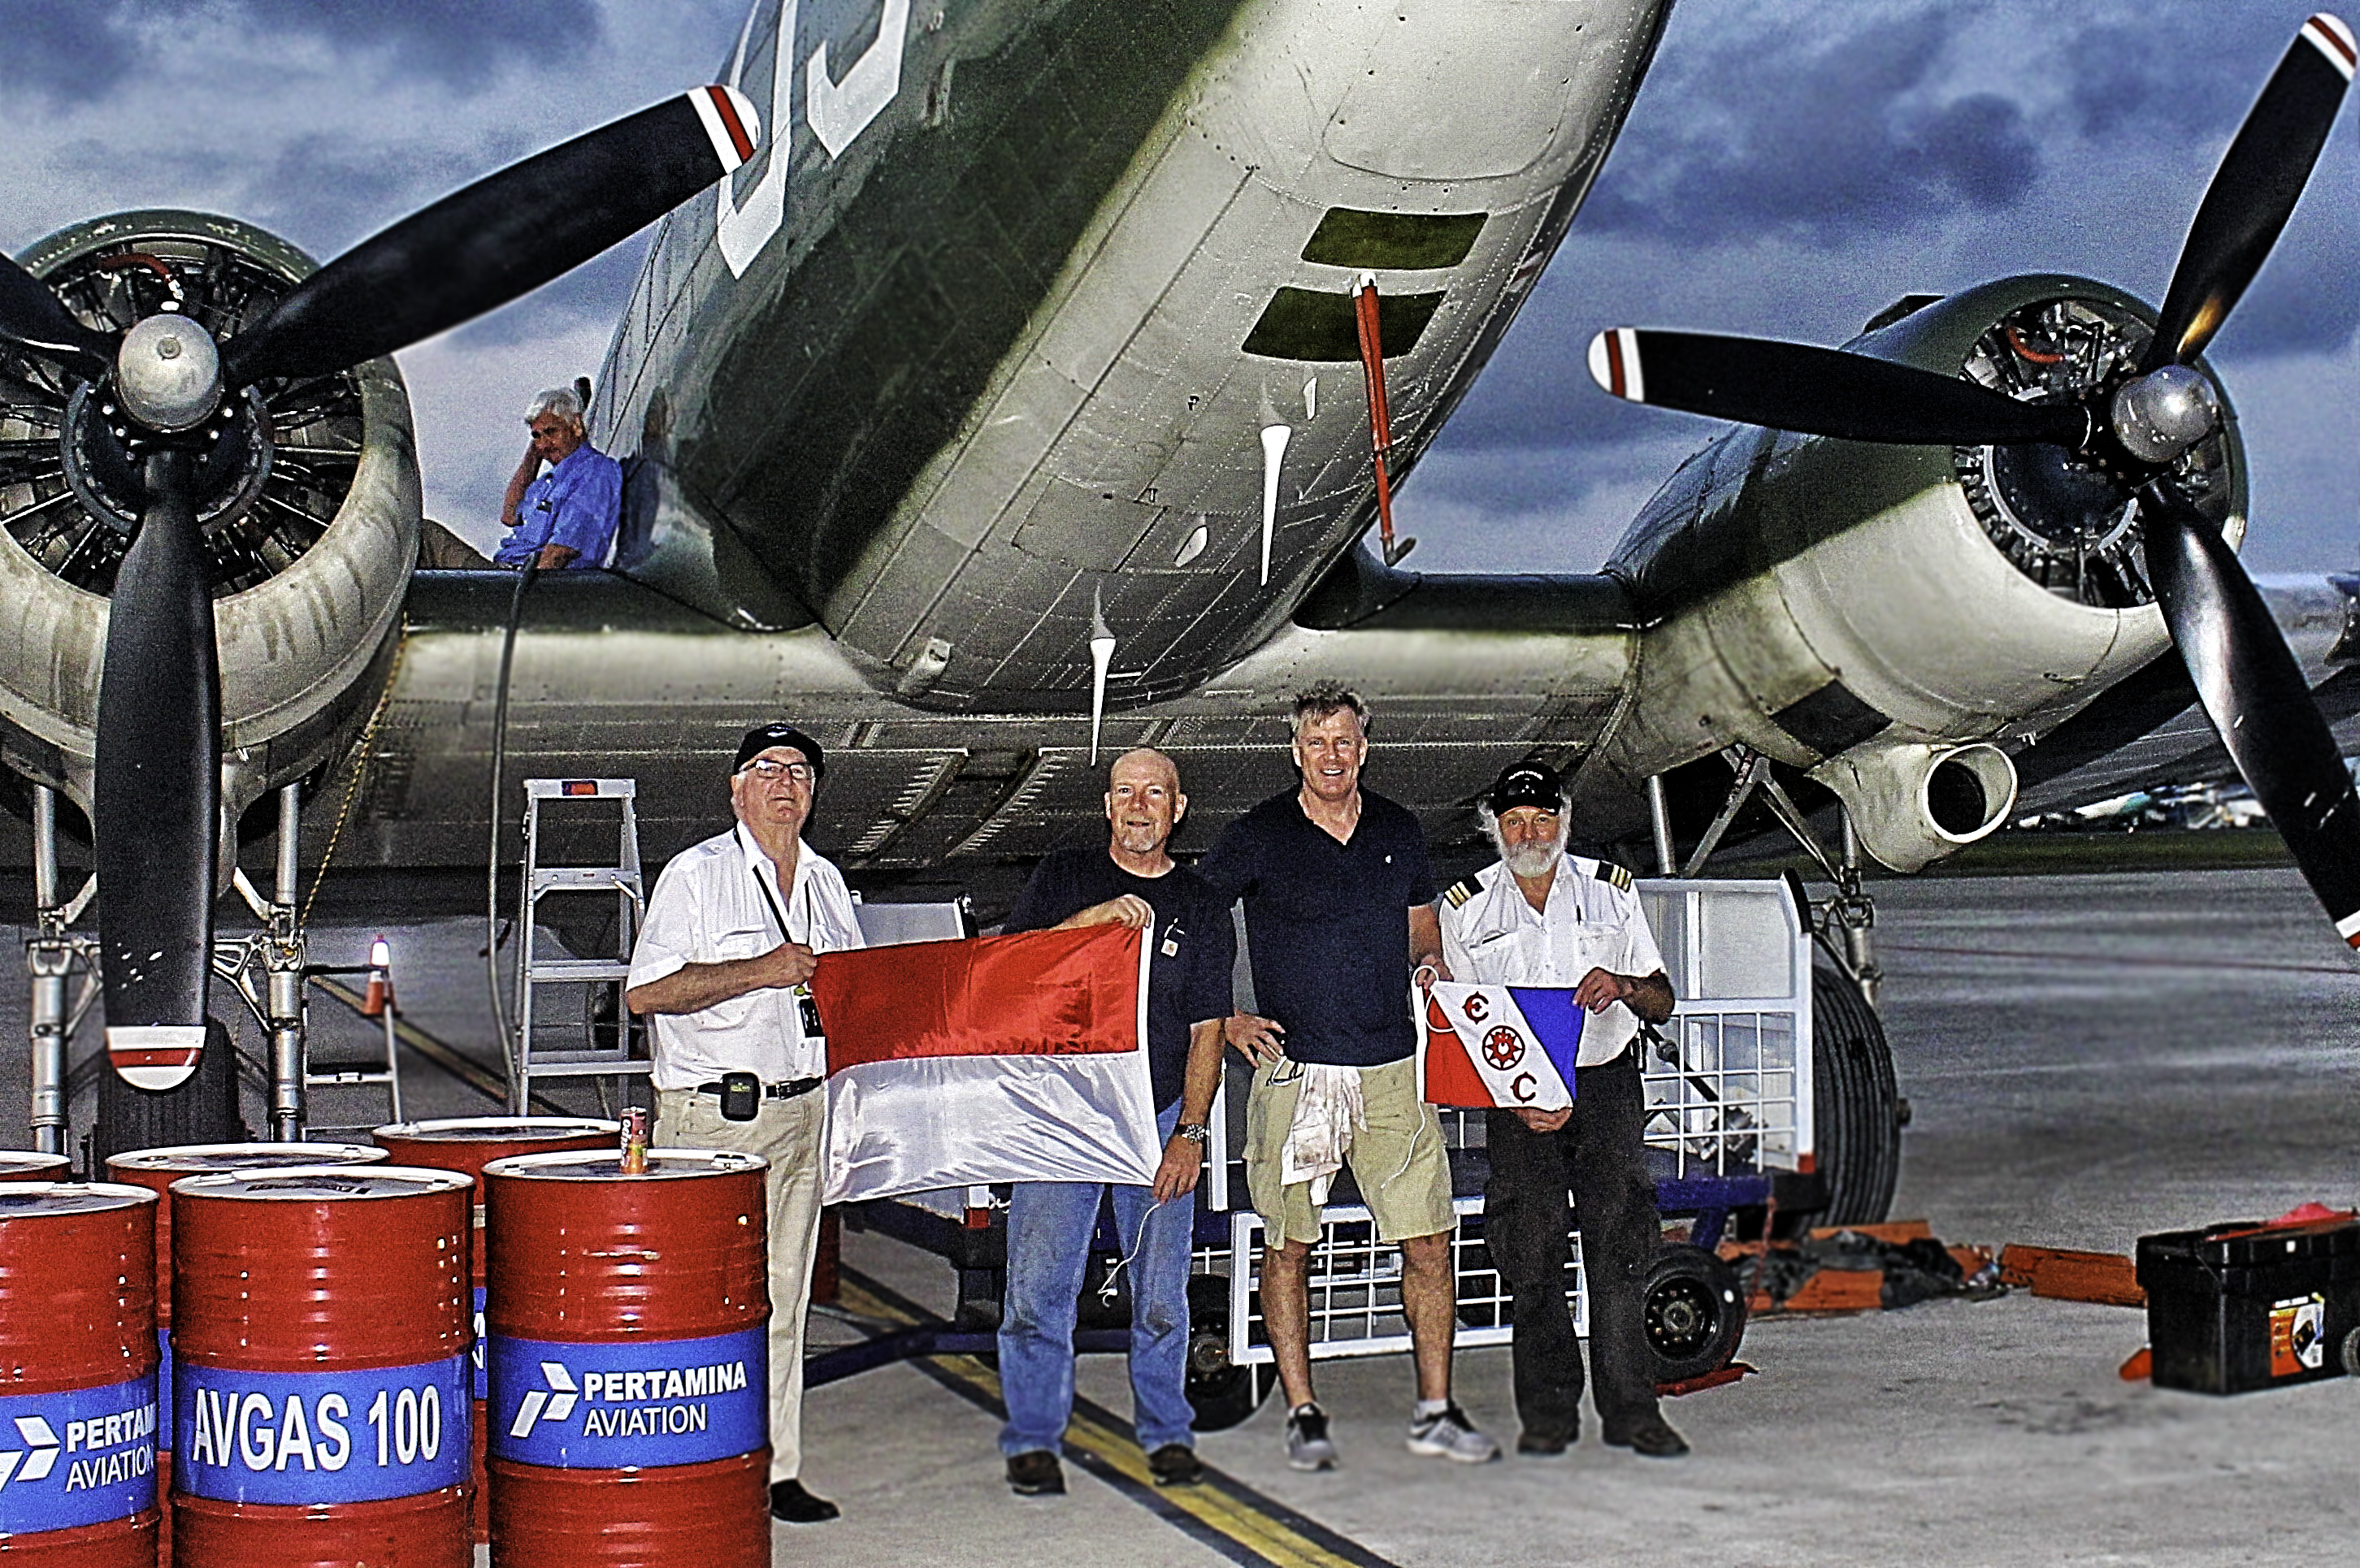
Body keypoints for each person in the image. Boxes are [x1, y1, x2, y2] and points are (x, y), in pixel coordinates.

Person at [1198, 684, 1499, 1471]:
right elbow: (1195, 923)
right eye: (1316, 741)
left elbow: (1421, 925)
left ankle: (1435, 1407)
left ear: (1364, 748)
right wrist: (1226, 1019)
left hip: (1394, 1071)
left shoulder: (1399, 828)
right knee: (1288, 1245)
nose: (1332, 755)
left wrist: (1431, 964)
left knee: (1429, 1241)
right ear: (1295, 750)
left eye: (1345, 741)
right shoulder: (1257, 833)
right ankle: (1302, 1410)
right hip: (1295, 1074)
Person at [624, 723, 863, 1523]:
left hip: (803, 1111)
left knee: (787, 1297)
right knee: (706, 1299)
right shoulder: (697, 875)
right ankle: (694, 1466)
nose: (784, 784)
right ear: (736, 788)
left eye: (799, 771)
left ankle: (776, 1467)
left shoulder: (826, 881)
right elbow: (645, 993)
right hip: (714, 1121)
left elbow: (852, 999)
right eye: (766, 770)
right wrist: (763, 970)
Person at [996, 748, 1232, 1497]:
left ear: (1179, 808)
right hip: (1063, 1115)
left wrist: (1189, 1133)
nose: (1140, 806)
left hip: (1155, 1113)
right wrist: (1091, 922)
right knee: (1038, 1289)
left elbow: (1207, 1031)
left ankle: (1166, 1433)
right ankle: (1033, 1437)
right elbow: (1010, 970)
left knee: (1163, 1293)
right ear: (1106, 805)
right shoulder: (1065, 877)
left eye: (1156, 793)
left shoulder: (1200, 904)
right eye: (1126, 792)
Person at [1436, 760, 1687, 1459]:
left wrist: (1625, 985)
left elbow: (1662, 997)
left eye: (1542, 818)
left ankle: (1634, 1412)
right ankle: (1548, 1414)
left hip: (1604, 1086)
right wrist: (1515, 1099)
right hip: (1518, 1101)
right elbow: (1456, 1019)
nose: (1529, 833)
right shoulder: (1466, 908)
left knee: (1622, 1249)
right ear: (1494, 828)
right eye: (1514, 821)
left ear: (1563, 820)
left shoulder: (1612, 892)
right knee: (1531, 1249)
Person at [493, 385, 620, 570]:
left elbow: (559, 552)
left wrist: (523, 598)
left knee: (433, 538)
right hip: (505, 572)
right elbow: (510, 516)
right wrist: (536, 448)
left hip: (526, 581)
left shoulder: (595, 472)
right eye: (537, 436)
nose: (544, 444)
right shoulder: (548, 482)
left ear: (576, 426)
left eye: (551, 432)